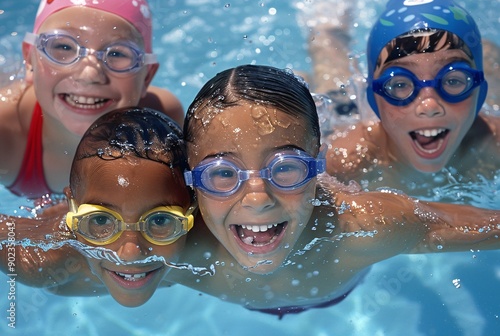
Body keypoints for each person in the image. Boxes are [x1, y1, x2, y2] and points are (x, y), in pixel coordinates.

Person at [3, 65, 500, 317]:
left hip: (345, 253)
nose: (257, 198)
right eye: (222, 174)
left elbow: (476, 226)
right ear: (191, 181)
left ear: (315, 164)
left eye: (287, 170)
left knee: (337, 99)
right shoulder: (158, 240)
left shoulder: (360, 227)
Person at [0, 0, 184, 199]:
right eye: (63, 47)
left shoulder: (159, 119)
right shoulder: (5, 132)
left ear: (146, 76)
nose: (89, 75)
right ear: (30, 59)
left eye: (117, 54)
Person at [0, 107, 195, 307]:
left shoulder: (207, 249)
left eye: (160, 220)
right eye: (101, 219)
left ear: (194, 208)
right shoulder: (41, 263)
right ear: (72, 207)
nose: (131, 253)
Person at [310, 0, 500, 193]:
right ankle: (332, 7)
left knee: (489, 64)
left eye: (452, 81)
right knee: (331, 61)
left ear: (480, 94)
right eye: (400, 85)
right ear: (373, 100)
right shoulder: (347, 161)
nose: (429, 106)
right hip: (345, 112)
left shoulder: (492, 142)